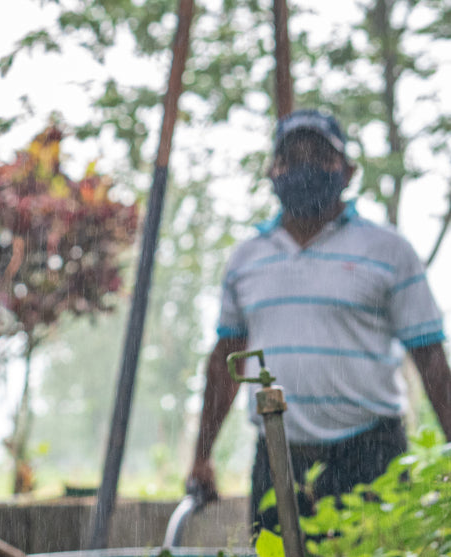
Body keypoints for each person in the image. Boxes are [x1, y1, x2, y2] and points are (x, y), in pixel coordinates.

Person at [189, 109, 451, 530]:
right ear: (273, 172)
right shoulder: (246, 259)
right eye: (291, 158)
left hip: (371, 454)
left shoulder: (388, 251)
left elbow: (431, 359)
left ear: (347, 172)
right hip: (279, 456)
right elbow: (225, 363)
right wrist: (201, 457)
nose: (303, 168)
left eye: (319, 157)